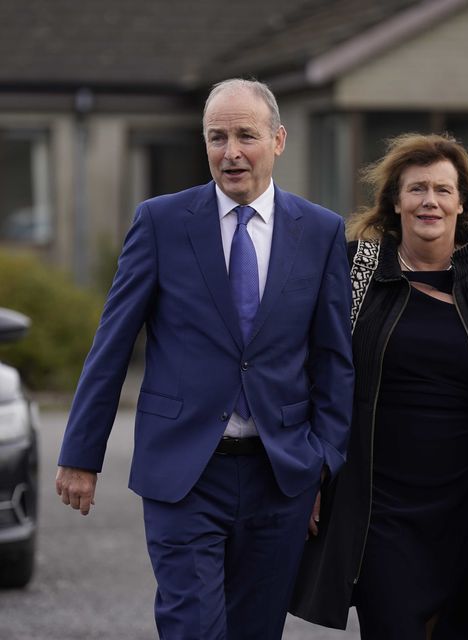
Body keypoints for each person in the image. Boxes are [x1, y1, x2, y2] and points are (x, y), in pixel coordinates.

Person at [56, 78, 354, 640]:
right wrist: (80, 454)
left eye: (246, 135)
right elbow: (112, 344)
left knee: (255, 631)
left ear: (279, 140)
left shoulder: (319, 232)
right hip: (184, 472)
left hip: (279, 475)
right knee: (193, 626)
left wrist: (322, 465)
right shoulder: (161, 223)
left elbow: (334, 360)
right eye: (217, 137)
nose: (231, 151)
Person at [290, 133, 468, 639]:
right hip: (379, 504)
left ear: (462, 203)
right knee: (392, 626)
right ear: (395, 201)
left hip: (467, 502)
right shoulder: (356, 268)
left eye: (443, 189)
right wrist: (313, 474)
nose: (430, 201)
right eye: (417, 189)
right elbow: (314, 373)